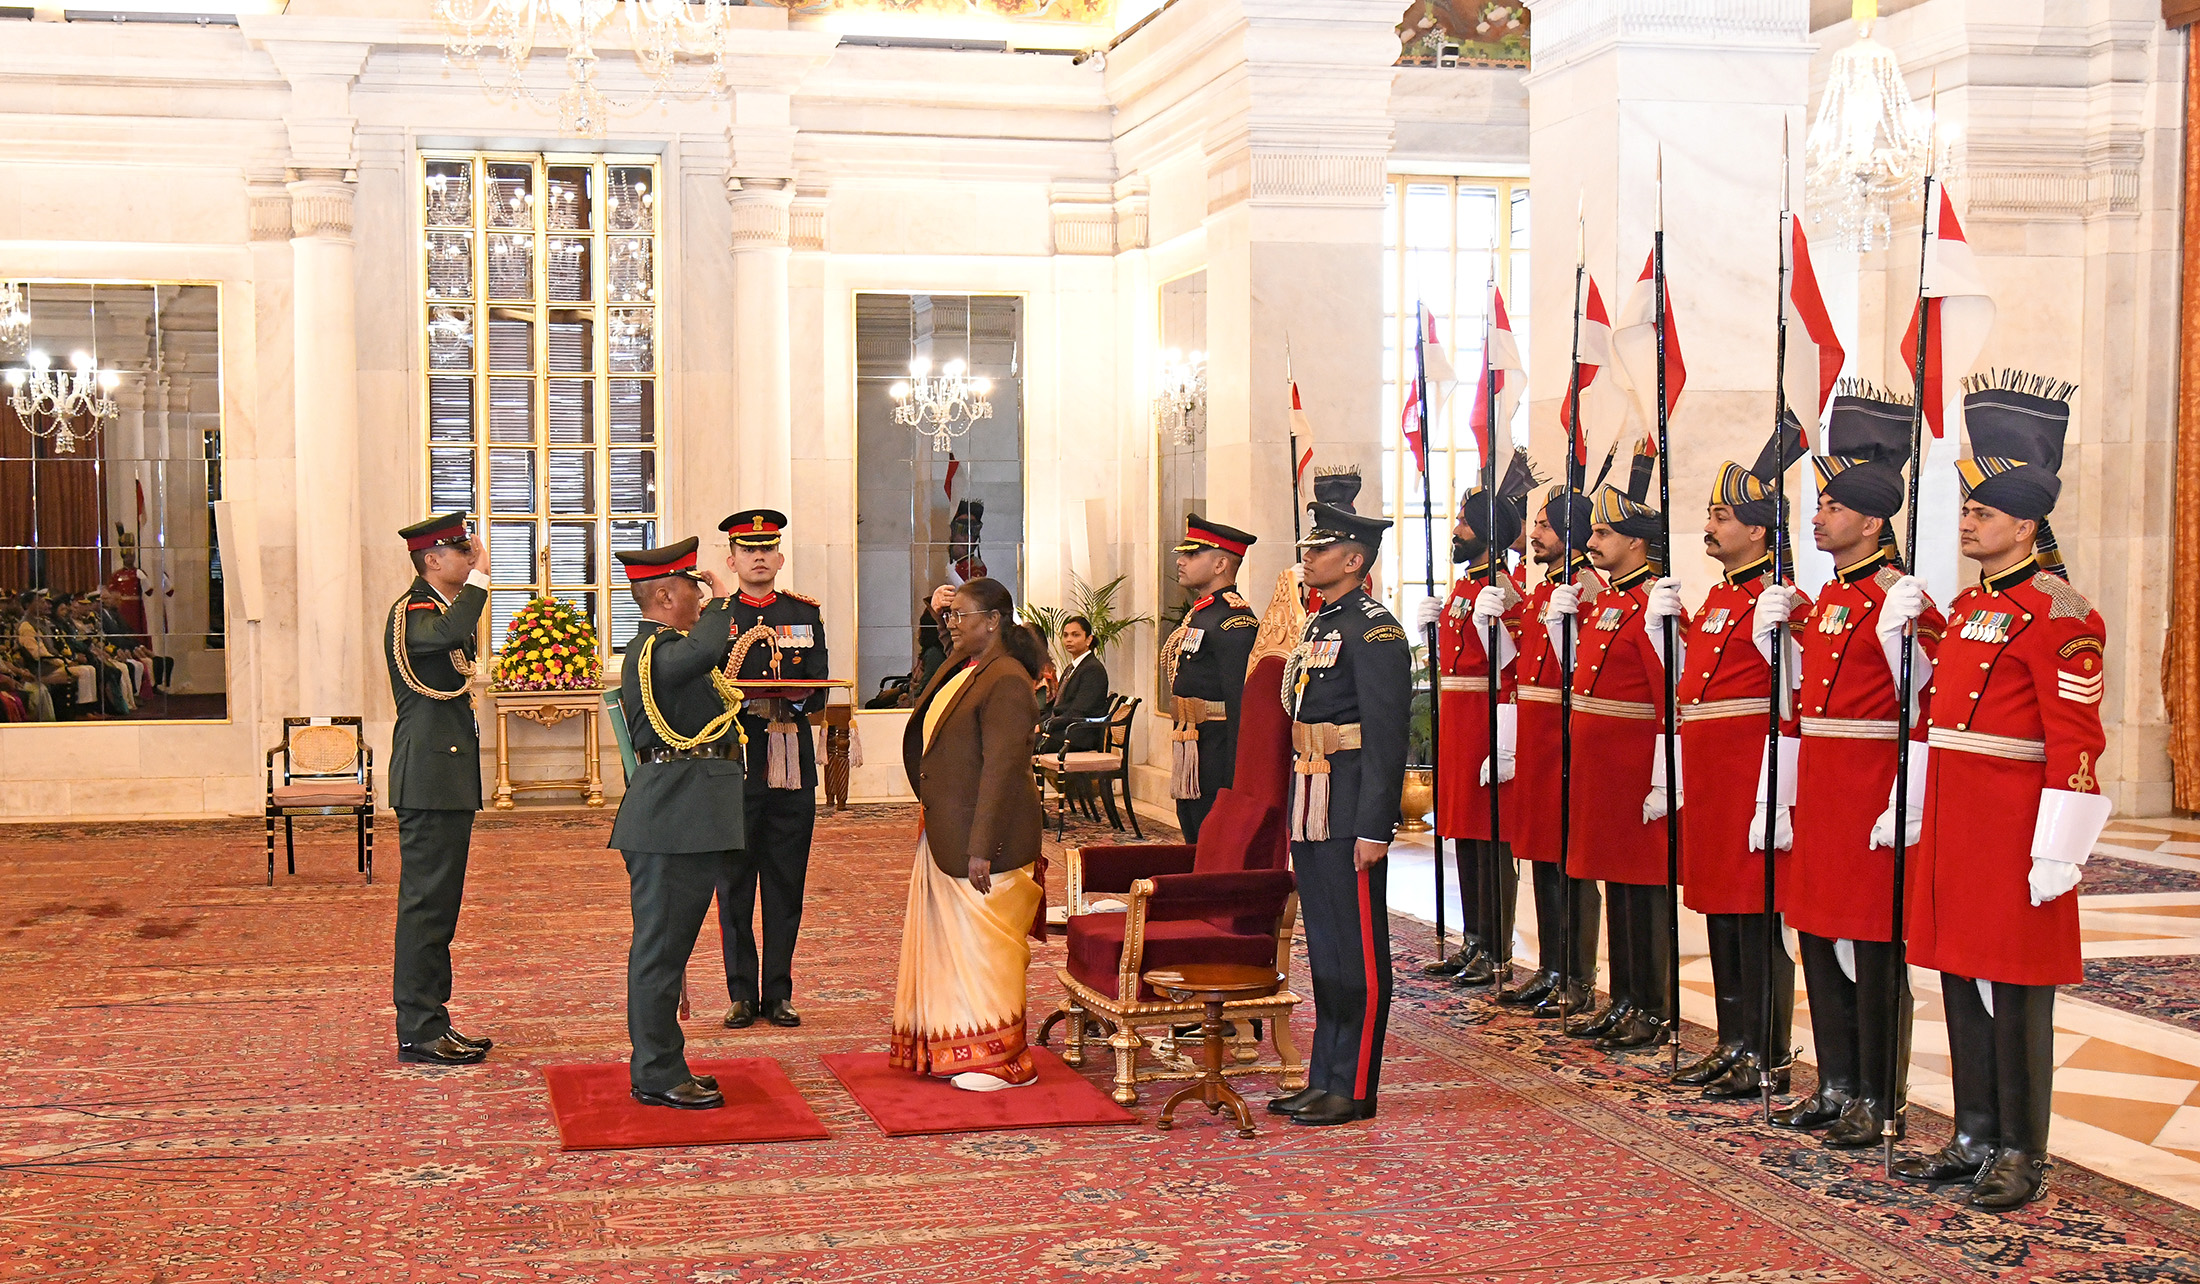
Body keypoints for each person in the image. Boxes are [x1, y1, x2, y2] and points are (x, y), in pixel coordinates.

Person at [1893, 376, 2109, 1210]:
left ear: (2025, 525)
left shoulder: (2061, 614)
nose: (1967, 522)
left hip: (2019, 831)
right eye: (1966, 511)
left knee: (2015, 994)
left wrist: (2061, 848)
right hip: (1958, 825)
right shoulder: (1970, 606)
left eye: (1982, 513)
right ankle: (1975, 1130)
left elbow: (2078, 740)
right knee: (1958, 978)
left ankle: (2023, 1150)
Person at [1757, 387, 1945, 1148]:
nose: (1816, 515)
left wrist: (1908, 799)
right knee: (1817, 938)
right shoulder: (1831, 599)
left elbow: (1929, 707)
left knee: (1872, 949)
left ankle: (1879, 1095)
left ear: (1872, 521)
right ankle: (1836, 1083)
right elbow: (1803, 706)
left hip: (1871, 794)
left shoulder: (1899, 600)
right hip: (1824, 798)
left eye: (1832, 507)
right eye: (1818, 505)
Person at [1667, 419, 1807, 1099]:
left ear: (1758, 530)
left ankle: (1768, 1050)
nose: (1711, 525)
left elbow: (1793, 702)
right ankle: (1732, 1040)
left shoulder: (1776, 601)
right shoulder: (1722, 598)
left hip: (1753, 778)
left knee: (1757, 918)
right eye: (1710, 514)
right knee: (1721, 912)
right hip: (1713, 777)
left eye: (1722, 516)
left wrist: (1778, 796)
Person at [1268, 501, 1411, 1128]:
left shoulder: (1375, 631)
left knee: (1358, 951)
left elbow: (1386, 734)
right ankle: (1322, 1075)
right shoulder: (1321, 624)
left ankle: (1353, 1086)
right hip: (1313, 797)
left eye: (1321, 548)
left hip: (1350, 803)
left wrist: (1376, 826)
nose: (1309, 555)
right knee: (1324, 946)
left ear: (1353, 560)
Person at [892, 576, 1049, 1091]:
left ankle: (1001, 1061)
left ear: (994, 621)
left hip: (988, 840)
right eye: (950, 615)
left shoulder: (1005, 679)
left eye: (961, 615)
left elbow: (1003, 769)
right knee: (953, 947)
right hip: (947, 828)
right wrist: (931, 609)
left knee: (986, 951)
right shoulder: (967, 667)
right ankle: (956, 1047)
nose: (952, 623)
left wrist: (982, 846)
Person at [1548, 441, 1678, 1053]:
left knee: (1644, 893)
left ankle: (1653, 1006)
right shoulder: (1611, 602)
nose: (1591, 542)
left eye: (1603, 532)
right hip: (1602, 768)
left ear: (1636, 542)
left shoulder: (1656, 603)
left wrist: (1661, 777)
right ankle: (1624, 997)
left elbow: (1669, 698)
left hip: (1635, 772)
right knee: (1617, 887)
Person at [608, 536, 743, 1110]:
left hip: (686, 812)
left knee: (669, 948)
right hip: (672, 817)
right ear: (666, 593)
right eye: (692, 588)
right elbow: (705, 653)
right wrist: (723, 598)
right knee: (661, 951)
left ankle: (664, 1062)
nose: (699, 597)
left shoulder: (661, 651)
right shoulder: (659, 651)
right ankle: (657, 1071)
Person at [1414, 450, 1536, 989]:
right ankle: (1473, 940)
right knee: (1463, 834)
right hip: (1458, 721)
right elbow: (1457, 660)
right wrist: (1433, 633)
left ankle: (1497, 946)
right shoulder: (1466, 586)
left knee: (1490, 841)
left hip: (1488, 723)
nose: (1456, 531)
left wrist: (1500, 627)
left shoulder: (1504, 590)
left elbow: (1515, 666)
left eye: (1465, 522)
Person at [383, 512, 494, 1067]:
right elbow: (448, 637)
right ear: (432, 560)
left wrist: (471, 585)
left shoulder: (438, 609)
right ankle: (419, 1028)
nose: (469, 558)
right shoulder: (415, 610)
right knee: (426, 907)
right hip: (428, 778)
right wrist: (481, 581)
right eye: (460, 552)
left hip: (443, 778)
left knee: (440, 907)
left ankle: (433, 1020)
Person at [712, 509, 829, 1031]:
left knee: (785, 883)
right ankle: (740, 993)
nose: (758, 556)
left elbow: (821, 684)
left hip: (789, 759)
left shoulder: (803, 613)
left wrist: (800, 696)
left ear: (779, 557)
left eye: (767, 547)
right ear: (732, 559)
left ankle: (779, 992)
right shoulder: (716, 617)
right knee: (734, 884)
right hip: (733, 760)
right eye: (748, 548)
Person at [1496, 487, 1603, 1018]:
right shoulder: (1545, 589)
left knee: (1569, 860)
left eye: (1543, 525)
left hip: (1564, 732)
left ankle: (1578, 972)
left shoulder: (1585, 586)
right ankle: (1551, 965)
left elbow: (1588, 667)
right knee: (1543, 853)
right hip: (1536, 732)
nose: (1532, 533)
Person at [1163, 515, 1260, 841]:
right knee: (1193, 837)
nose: (1181, 561)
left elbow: (1241, 705)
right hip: (1192, 746)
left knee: (1212, 842)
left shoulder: (1234, 621)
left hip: (1216, 756)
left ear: (1220, 564)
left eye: (1192, 555)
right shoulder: (1202, 613)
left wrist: (1238, 780)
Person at [1038, 615, 1112, 754]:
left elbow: (1079, 712)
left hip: (1077, 735)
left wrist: (1043, 726)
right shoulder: (1071, 668)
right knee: (1018, 737)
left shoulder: (1093, 669)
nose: (1069, 640)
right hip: (1061, 730)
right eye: (1065, 635)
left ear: (1089, 639)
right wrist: (1035, 723)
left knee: (1022, 744)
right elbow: (1056, 707)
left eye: (1075, 635)